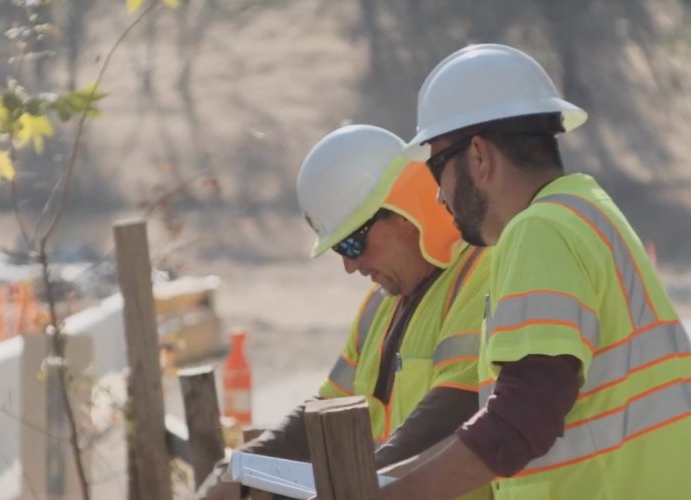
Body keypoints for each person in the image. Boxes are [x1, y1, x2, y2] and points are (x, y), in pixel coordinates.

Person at [380, 44, 691, 499]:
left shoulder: (541, 232)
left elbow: (521, 418)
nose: (439, 198)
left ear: (480, 157)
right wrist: (382, 484)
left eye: (436, 169)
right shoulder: (584, 213)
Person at [199, 125, 493, 500]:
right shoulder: (379, 304)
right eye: (340, 249)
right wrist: (241, 468)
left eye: (353, 242)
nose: (350, 266)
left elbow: (450, 413)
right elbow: (324, 410)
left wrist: (352, 489)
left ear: (404, 210)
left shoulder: (481, 273)